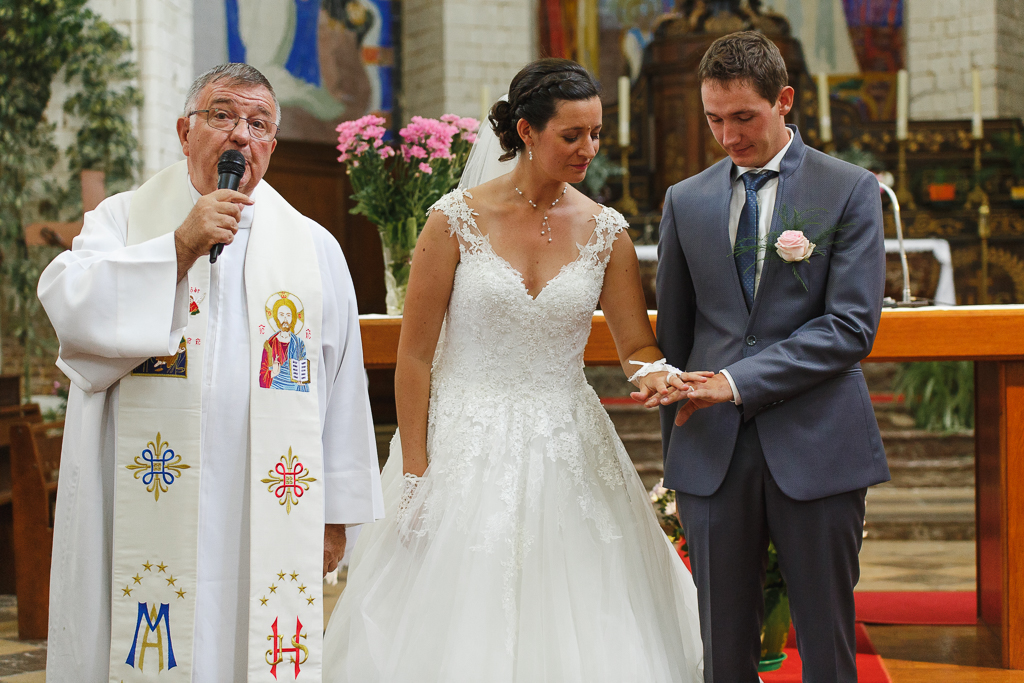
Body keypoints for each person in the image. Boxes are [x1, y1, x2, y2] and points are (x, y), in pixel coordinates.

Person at [322, 58, 705, 682]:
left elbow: (636, 343)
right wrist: (415, 471)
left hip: (567, 436)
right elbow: (415, 356)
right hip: (460, 441)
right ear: (526, 131)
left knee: (584, 602)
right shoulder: (454, 220)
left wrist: (655, 374)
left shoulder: (607, 231)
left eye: (597, 134)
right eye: (572, 135)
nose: (590, 149)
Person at [38, 63, 384, 682]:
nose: (239, 136)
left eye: (258, 124)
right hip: (141, 493)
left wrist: (337, 512)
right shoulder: (123, 221)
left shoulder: (314, 249)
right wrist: (177, 247)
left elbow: (342, 387)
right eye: (222, 116)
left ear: (272, 145)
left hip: (265, 503)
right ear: (185, 130)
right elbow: (71, 312)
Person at [648, 31, 889, 682]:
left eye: (744, 117)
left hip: (817, 441)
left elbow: (850, 326)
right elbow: (675, 335)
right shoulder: (686, 200)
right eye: (713, 118)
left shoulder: (848, 190)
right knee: (722, 649)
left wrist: (734, 380)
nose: (727, 135)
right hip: (712, 455)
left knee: (826, 641)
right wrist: (678, 454)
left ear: (784, 101)